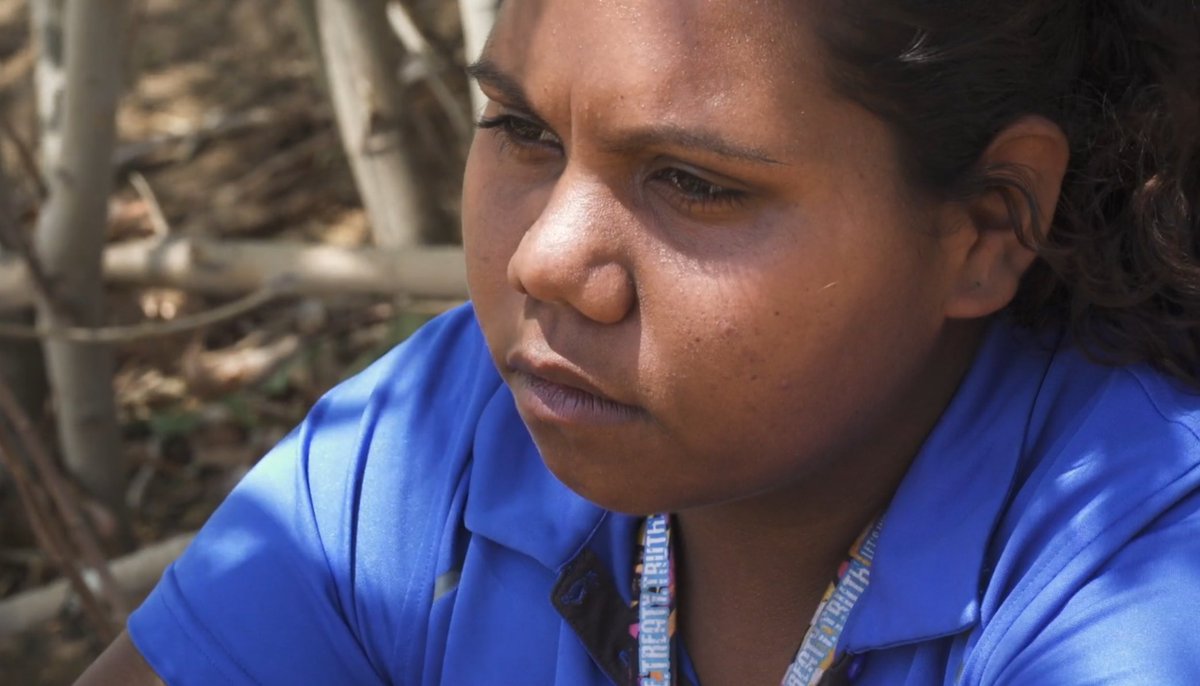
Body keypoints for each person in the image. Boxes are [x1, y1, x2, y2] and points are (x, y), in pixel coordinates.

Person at [78, 0, 1200, 684]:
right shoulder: (438, 444)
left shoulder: (1140, 568)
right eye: (521, 129)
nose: (546, 262)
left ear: (989, 222)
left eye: (692, 182)